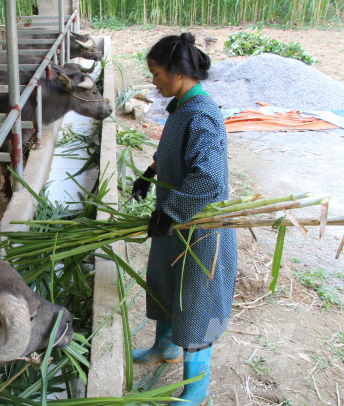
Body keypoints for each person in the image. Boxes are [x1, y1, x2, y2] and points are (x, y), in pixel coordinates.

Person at [130, 33, 237, 405]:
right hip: (174, 222)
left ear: (177, 72)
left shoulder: (202, 113)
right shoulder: (181, 106)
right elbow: (176, 150)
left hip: (199, 228)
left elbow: (208, 177)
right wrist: (150, 172)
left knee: (194, 302)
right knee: (164, 282)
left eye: (157, 73)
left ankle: (196, 390)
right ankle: (164, 347)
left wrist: (171, 211)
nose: (154, 81)